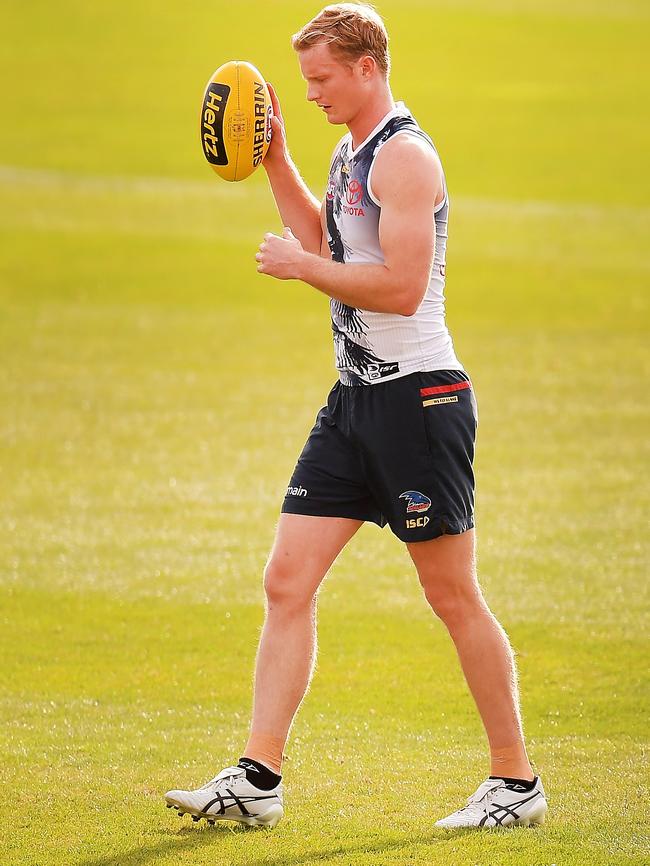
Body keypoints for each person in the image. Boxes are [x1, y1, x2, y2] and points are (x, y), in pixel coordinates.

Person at [165, 3, 547, 830]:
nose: (308, 93)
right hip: (354, 404)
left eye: (320, 79)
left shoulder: (405, 157)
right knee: (286, 579)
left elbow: (402, 286)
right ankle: (258, 778)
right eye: (304, 81)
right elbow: (336, 246)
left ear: (367, 67)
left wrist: (302, 269)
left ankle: (515, 784)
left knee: (451, 595)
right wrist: (277, 162)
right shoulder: (349, 152)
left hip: (421, 402)